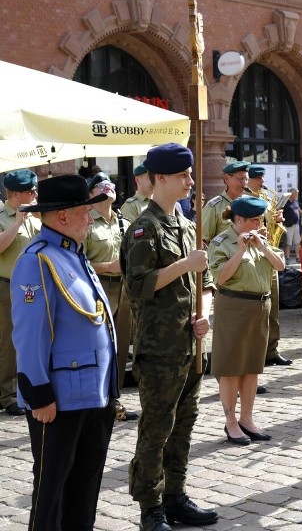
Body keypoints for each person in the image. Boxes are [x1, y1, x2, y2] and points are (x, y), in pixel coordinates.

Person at [12, 174, 118, 530]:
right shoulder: (37, 261)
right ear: (62, 216)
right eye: (85, 211)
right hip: (58, 398)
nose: (91, 217)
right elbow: (30, 335)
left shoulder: (74, 254)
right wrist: (38, 393)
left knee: (85, 487)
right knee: (51, 492)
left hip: (92, 392)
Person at [120, 143, 217, 531]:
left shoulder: (187, 225)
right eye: (183, 175)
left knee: (184, 426)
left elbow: (204, 282)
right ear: (161, 178)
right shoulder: (145, 229)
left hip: (190, 345)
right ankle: (150, 508)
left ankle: (176, 496)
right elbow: (138, 285)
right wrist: (183, 265)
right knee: (157, 429)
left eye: (190, 174)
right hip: (159, 349)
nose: (191, 181)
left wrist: (204, 317)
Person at [209, 196, 286, 445]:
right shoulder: (222, 242)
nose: (259, 222)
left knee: (252, 367)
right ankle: (230, 421)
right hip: (233, 306)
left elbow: (281, 265)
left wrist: (263, 246)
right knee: (231, 368)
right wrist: (240, 250)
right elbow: (221, 277)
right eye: (254, 219)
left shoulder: (261, 239)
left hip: (259, 307)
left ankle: (247, 418)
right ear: (238, 220)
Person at [84, 172, 138, 422]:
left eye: (112, 185)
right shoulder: (86, 223)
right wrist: (107, 267)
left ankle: (113, 398)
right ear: (91, 195)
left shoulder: (124, 223)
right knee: (97, 345)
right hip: (97, 288)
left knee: (120, 345)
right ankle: (95, 398)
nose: (109, 187)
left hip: (124, 289)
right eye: (101, 186)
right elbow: (76, 263)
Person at [0, 169, 41, 417]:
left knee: (29, 340)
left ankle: (26, 389)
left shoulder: (35, 218)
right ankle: (7, 394)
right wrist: (16, 223)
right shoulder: (3, 216)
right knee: (8, 342)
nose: (35, 194)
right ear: (15, 194)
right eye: (30, 191)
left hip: (32, 288)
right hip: (6, 285)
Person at [245, 165, 290, 368]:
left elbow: (272, 224)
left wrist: (277, 220)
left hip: (269, 255)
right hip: (249, 259)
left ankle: (272, 350)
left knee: (274, 307)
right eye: (258, 179)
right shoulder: (240, 202)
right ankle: (256, 355)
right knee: (256, 311)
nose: (263, 182)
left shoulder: (264, 198)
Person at [200, 160, 251, 244]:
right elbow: (204, 241)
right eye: (241, 179)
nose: (244, 183)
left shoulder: (250, 203)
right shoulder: (214, 206)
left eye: (246, 179)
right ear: (226, 178)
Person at [282, 187, 301, 262]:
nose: (297, 195)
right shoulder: (286, 202)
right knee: (288, 242)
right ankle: (287, 257)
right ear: (291, 194)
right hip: (288, 225)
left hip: (296, 224)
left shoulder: (296, 201)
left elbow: (298, 209)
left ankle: (297, 257)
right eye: (296, 193)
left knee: (297, 241)